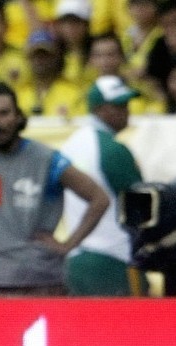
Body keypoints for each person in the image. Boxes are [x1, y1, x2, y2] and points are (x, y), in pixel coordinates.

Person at [0, 81, 110, 295]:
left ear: (19, 116)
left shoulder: (46, 159)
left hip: (40, 281)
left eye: (3, 113)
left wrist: (69, 245)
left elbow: (99, 199)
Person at [60, 75, 148, 295]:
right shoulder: (112, 149)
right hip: (114, 259)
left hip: (76, 258)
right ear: (100, 109)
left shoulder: (70, 144)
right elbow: (143, 206)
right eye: (119, 106)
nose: (127, 110)